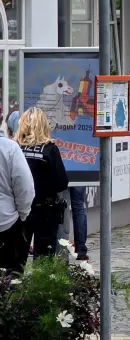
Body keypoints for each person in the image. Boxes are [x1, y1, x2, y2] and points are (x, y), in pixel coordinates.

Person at [14, 108, 69, 259]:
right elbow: (62, 182)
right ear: (44, 125)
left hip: (17, 210)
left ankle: (12, 282)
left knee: (16, 258)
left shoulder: (14, 148)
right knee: (44, 258)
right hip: (45, 209)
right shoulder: (50, 149)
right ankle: (40, 283)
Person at [0, 134, 34, 273]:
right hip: (5, 221)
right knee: (8, 277)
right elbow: (25, 187)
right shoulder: (9, 148)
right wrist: (23, 214)